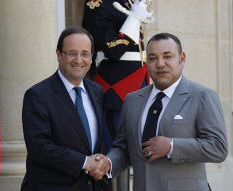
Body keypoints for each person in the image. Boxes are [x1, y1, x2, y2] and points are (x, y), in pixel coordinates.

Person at [92, 33, 228, 191]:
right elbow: (124, 149)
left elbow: (218, 148)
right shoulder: (132, 100)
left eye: (167, 56)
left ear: (182, 59)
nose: (160, 64)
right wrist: (109, 163)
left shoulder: (202, 96)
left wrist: (172, 146)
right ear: (146, 62)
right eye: (153, 58)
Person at [21, 26, 105, 191]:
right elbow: (38, 147)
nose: (79, 60)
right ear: (58, 55)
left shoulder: (97, 91)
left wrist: (100, 165)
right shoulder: (38, 95)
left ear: (91, 57)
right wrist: (84, 162)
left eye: (85, 54)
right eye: (72, 53)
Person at [82, 1, 154, 189]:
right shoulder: (97, 5)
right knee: (114, 145)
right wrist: (134, 18)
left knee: (137, 144)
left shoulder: (127, 2)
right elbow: (113, 50)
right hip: (116, 86)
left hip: (137, 79)